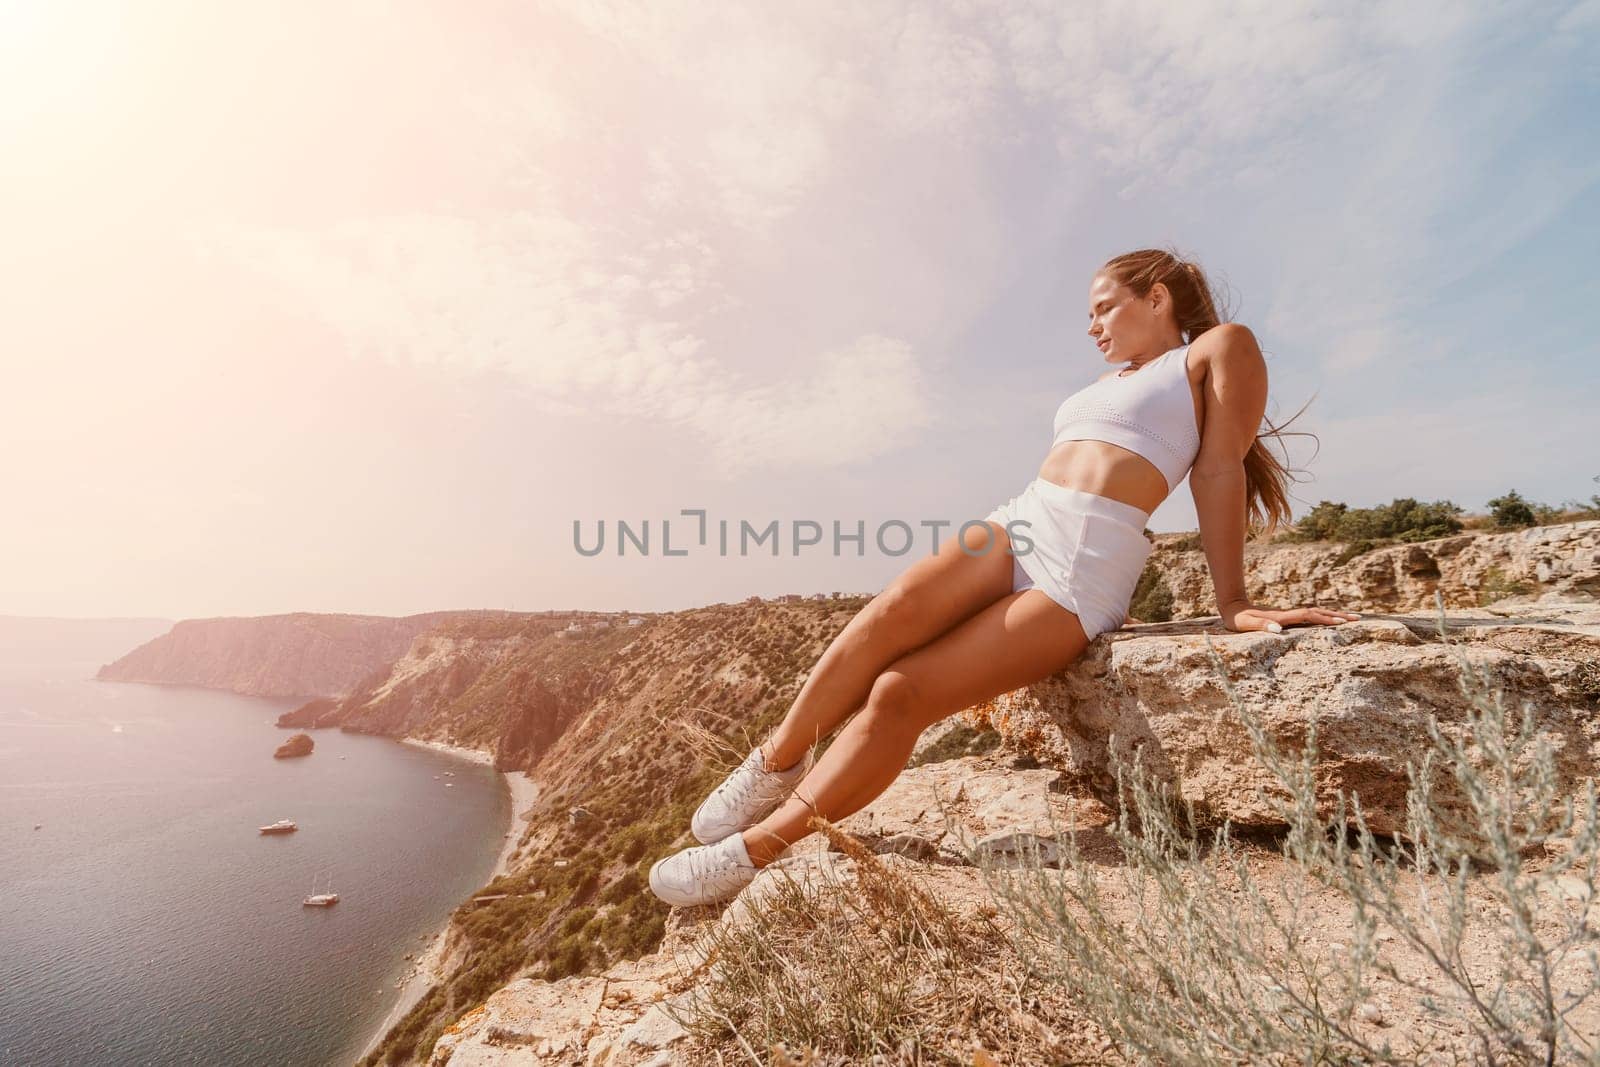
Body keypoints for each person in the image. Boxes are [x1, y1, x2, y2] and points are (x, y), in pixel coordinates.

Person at [649, 247, 1360, 907]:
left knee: (900, 693)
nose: (1092, 326)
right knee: (886, 613)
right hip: (1023, 517)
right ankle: (773, 763)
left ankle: (754, 849)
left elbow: (1217, 468)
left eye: (1104, 307)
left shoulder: (1216, 348)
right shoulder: (1110, 382)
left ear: (1157, 297)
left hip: (1080, 566)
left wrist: (1232, 601)